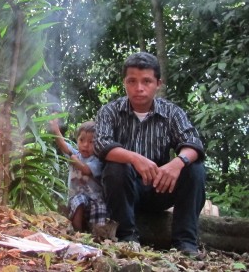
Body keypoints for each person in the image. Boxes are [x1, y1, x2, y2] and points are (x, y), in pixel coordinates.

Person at [94, 52, 206, 256]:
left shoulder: (172, 112)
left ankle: (186, 243)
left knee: (194, 168)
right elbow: (102, 145)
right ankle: (126, 237)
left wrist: (177, 162)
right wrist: (135, 158)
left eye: (146, 81)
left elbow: (194, 143)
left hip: (161, 188)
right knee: (116, 167)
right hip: (125, 191)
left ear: (158, 83)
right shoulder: (109, 111)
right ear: (124, 83)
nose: (139, 88)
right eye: (132, 81)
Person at [50, 118, 107, 232]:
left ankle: (98, 236)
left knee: (101, 208)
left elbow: (85, 169)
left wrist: (72, 158)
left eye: (91, 142)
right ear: (77, 141)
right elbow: (62, 144)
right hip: (76, 198)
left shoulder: (97, 160)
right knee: (79, 201)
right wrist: (55, 129)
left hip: (95, 199)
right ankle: (78, 233)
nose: (85, 145)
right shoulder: (76, 154)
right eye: (81, 140)